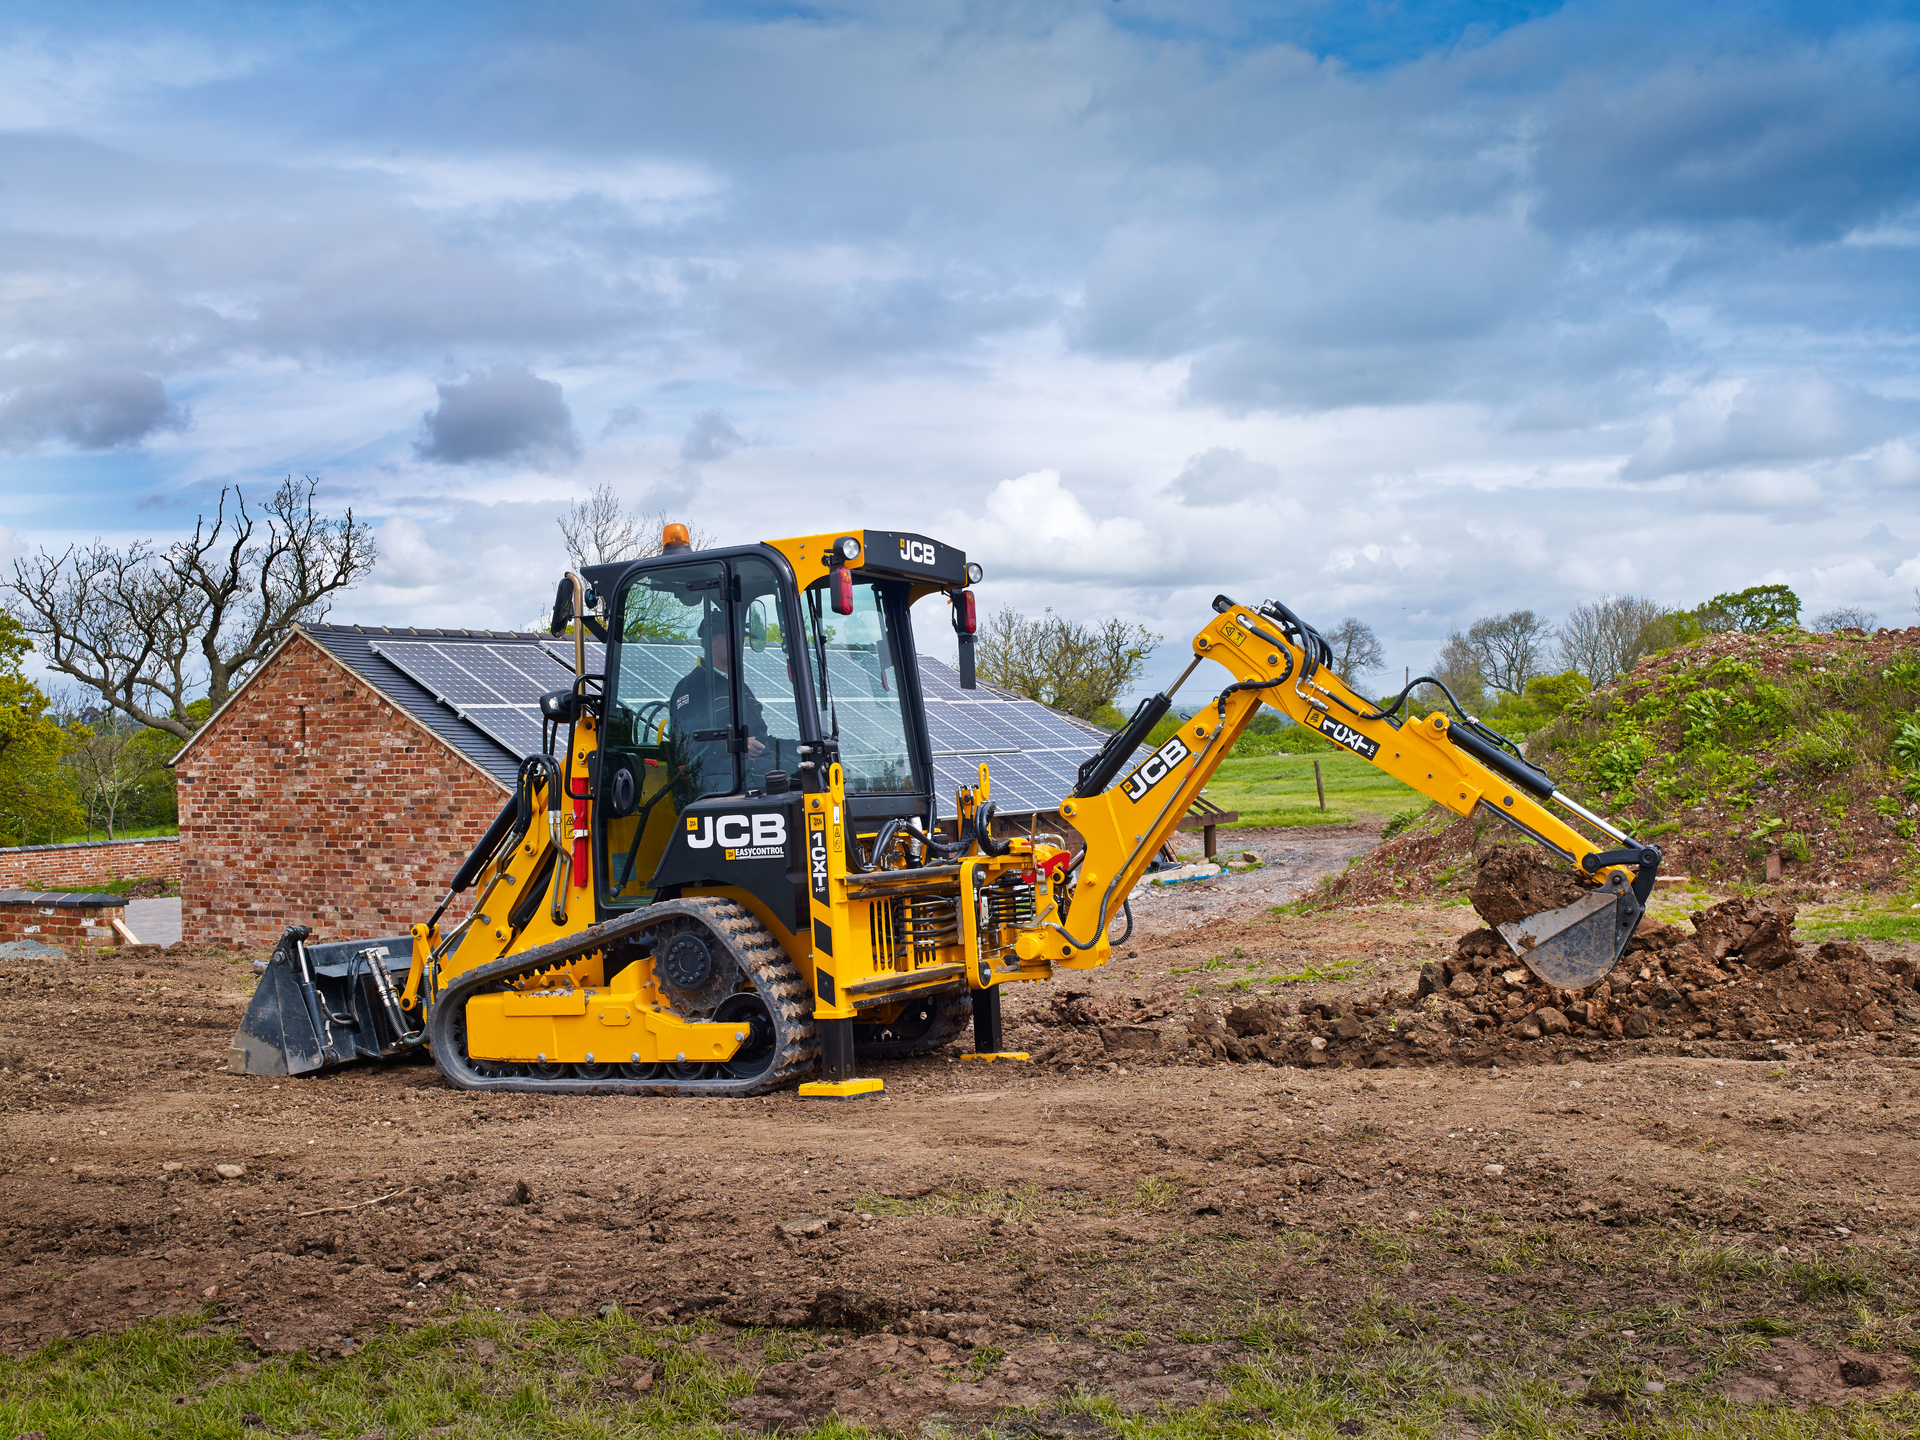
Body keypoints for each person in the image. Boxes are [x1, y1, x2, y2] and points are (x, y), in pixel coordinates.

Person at [669, 608, 767, 790]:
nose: (741, 645)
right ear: (713, 642)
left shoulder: (741, 688)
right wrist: (737, 745)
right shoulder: (692, 687)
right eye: (735, 638)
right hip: (715, 783)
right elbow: (686, 746)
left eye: (743, 640)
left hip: (752, 771)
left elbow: (760, 730)